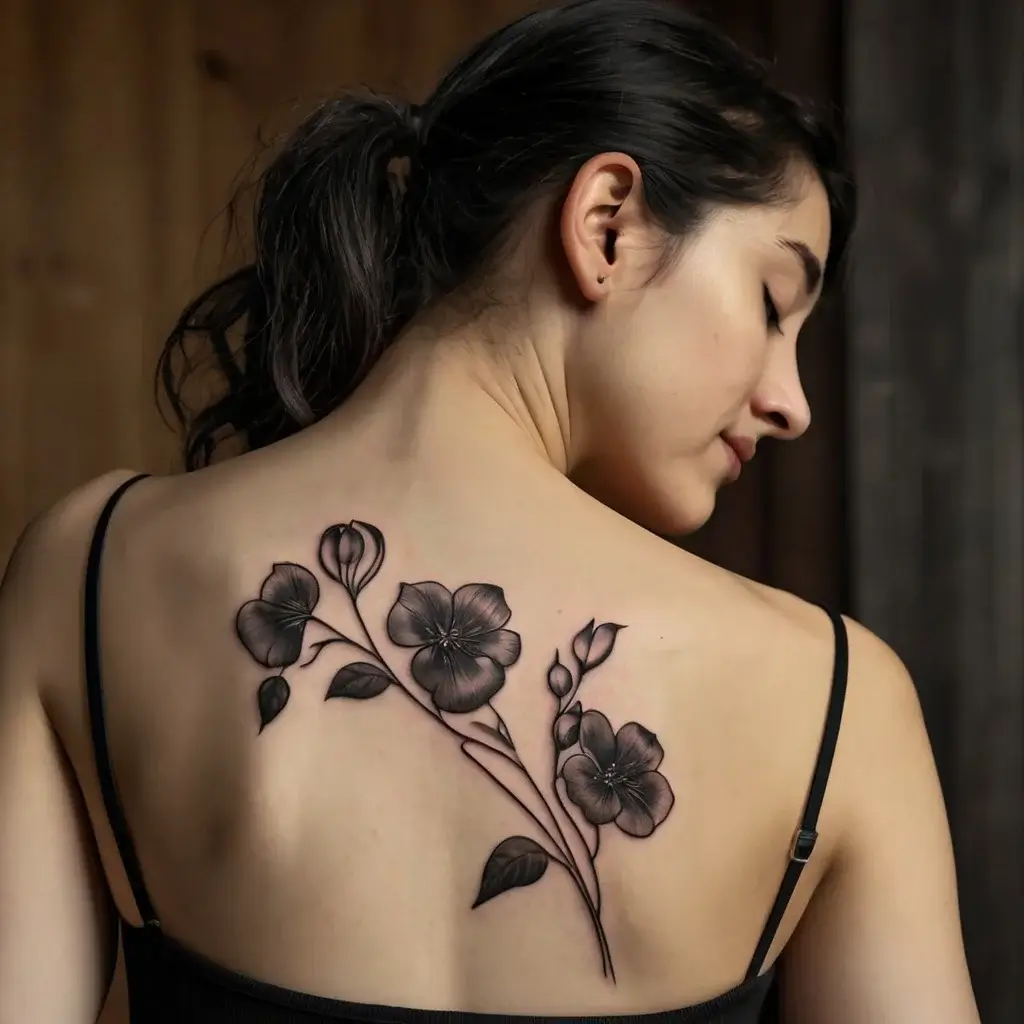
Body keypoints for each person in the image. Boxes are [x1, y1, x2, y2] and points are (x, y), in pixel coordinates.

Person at [0, 1, 980, 1021]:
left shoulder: (88, 570)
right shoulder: (834, 697)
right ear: (607, 223)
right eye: (774, 302)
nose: (792, 401)